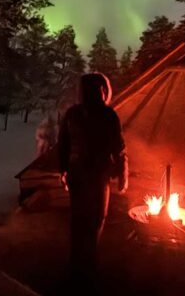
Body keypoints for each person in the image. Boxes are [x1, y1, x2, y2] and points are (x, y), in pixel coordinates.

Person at [57, 72, 128, 282]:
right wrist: (123, 173)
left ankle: (77, 263)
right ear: (102, 90)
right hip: (96, 175)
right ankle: (88, 262)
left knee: (79, 219)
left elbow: (63, 145)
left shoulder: (73, 113)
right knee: (96, 218)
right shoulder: (108, 115)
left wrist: (63, 170)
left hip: (78, 173)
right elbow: (119, 148)